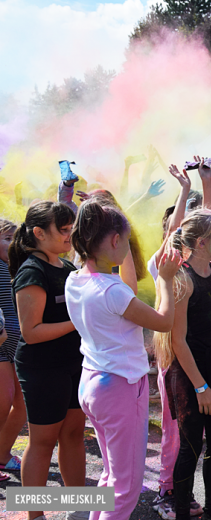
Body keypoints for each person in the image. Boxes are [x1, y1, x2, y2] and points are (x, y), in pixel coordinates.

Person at [66, 201, 181, 520]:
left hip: (92, 383)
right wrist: (166, 280)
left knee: (111, 477)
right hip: (119, 389)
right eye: (127, 241)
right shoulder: (113, 292)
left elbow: (121, 291)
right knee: (126, 488)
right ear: (116, 241)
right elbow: (164, 321)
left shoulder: (76, 280)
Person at [153, 210, 211, 520]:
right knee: (190, 446)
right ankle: (181, 513)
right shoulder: (181, 278)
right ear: (202, 242)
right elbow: (178, 341)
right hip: (189, 373)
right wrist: (201, 386)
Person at [9, 201, 84, 520]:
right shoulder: (31, 271)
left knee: (73, 434)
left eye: (71, 228)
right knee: (42, 441)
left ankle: (78, 507)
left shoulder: (67, 269)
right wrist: (79, 321)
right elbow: (32, 331)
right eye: (64, 230)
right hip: (42, 368)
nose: (70, 235)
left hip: (73, 364)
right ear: (39, 233)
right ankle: (34, 515)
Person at [0, 218, 25, 478]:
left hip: (14, 348)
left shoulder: (12, 268)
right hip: (1, 347)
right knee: (3, 404)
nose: (11, 244)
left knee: (22, 404)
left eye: (13, 239)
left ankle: (2, 454)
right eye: (6, 238)